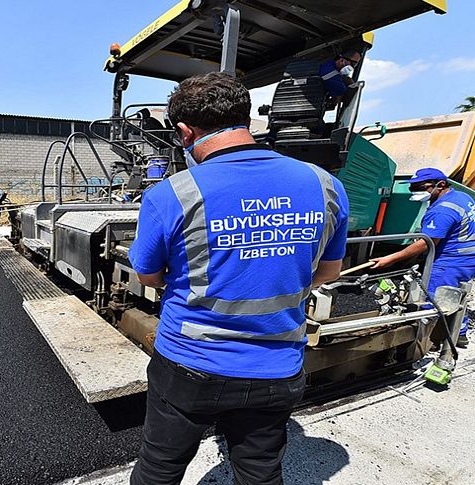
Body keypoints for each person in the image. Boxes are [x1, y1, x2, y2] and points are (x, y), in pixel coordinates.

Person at [127, 72, 349, 485]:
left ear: (184, 132)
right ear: (245, 118)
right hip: (277, 365)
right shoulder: (326, 185)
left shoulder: (171, 193)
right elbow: (329, 272)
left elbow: (148, 274)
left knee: (160, 467)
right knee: (260, 472)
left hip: (189, 363)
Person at [371, 168, 475, 349]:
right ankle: (461, 333)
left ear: (441, 185)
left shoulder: (443, 210)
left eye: (421, 187)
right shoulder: (461, 197)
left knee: (434, 299)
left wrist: (392, 258)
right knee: (456, 295)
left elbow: (427, 243)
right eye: (413, 188)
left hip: (450, 261)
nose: (416, 192)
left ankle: (424, 343)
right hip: (466, 257)